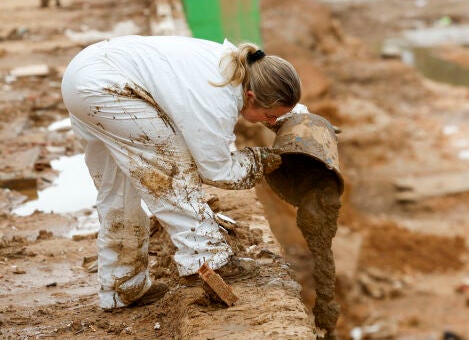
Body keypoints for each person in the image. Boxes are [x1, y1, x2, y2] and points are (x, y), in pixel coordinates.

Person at [61, 35, 307, 309]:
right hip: (106, 88)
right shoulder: (216, 100)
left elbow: (274, 103)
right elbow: (217, 170)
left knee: (117, 189)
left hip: (82, 78)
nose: (271, 123)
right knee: (171, 174)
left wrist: (301, 122)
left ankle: (122, 286)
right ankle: (208, 258)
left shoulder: (240, 67)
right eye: (270, 116)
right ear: (250, 97)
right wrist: (260, 161)